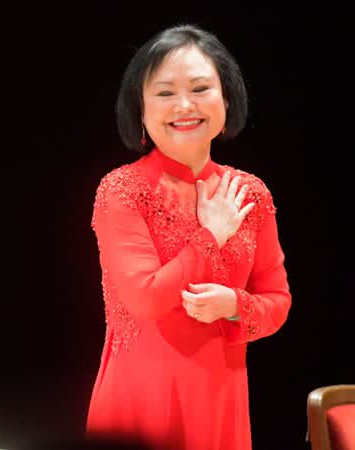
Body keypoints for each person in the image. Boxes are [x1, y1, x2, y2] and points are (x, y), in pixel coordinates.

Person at [85, 25, 291, 450]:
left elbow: (278, 301)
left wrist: (235, 305)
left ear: (226, 99)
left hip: (221, 399)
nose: (184, 105)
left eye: (200, 89)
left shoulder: (250, 193)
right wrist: (210, 236)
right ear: (139, 108)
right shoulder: (121, 190)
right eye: (164, 93)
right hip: (140, 402)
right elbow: (145, 299)